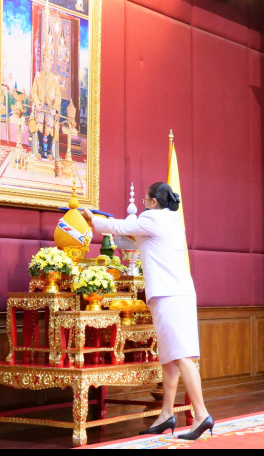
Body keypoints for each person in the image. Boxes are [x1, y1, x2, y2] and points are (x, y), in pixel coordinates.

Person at [81, 182, 214, 440]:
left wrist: (92, 219)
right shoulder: (172, 220)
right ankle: (166, 413)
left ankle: (201, 415)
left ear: (154, 202)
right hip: (178, 292)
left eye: (145, 200)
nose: (143, 204)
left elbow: (119, 226)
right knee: (168, 357)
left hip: (168, 295)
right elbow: (129, 237)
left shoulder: (151, 218)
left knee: (182, 355)